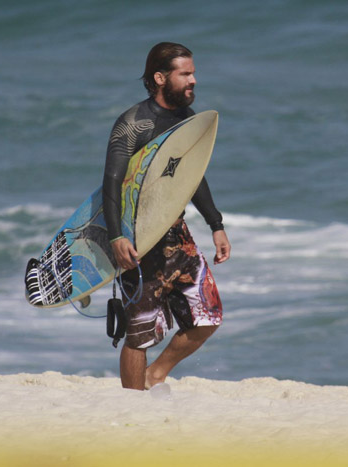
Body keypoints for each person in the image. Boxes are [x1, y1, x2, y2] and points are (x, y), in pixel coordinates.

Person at [102, 42, 231, 390]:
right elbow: (111, 183)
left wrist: (215, 224)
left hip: (177, 235)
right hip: (139, 238)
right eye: (185, 73)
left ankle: (156, 374)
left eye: (193, 73)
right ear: (160, 78)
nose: (193, 80)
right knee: (139, 331)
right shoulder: (132, 125)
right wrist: (117, 237)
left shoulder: (186, 119)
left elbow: (193, 177)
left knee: (208, 317)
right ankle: (133, 406)